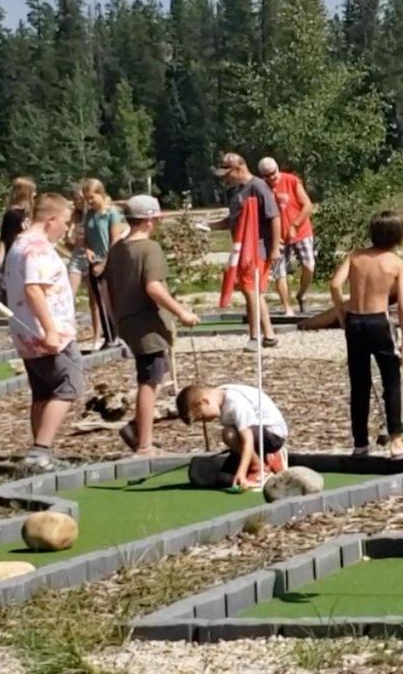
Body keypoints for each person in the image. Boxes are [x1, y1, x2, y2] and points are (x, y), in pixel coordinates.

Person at [105, 195, 200, 455]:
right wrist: (182, 313)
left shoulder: (117, 250)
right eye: (156, 219)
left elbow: (106, 286)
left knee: (156, 375)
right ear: (149, 220)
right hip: (147, 325)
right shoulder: (149, 249)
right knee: (149, 382)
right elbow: (153, 287)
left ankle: (136, 428)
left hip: (128, 322)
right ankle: (145, 445)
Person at [330, 211, 403, 459]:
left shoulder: (355, 256)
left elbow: (335, 285)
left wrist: (341, 314)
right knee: (391, 381)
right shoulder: (397, 264)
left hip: (355, 322)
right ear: (397, 236)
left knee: (359, 383)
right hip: (378, 322)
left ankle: (360, 443)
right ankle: (397, 440)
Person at [3, 193, 83, 471]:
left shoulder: (18, 244)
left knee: (43, 391)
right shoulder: (36, 248)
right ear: (50, 220)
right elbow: (34, 289)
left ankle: (39, 451)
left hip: (27, 332)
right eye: (64, 221)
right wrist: (50, 330)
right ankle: (40, 451)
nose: (66, 228)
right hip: (48, 333)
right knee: (69, 385)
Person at [208, 152, 280, 349]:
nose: (224, 179)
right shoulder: (238, 190)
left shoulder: (258, 187)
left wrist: (274, 249)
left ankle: (254, 337)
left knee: (250, 292)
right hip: (243, 249)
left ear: (238, 169)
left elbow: (274, 216)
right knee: (255, 293)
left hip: (256, 248)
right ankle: (269, 335)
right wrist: (209, 226)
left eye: (227, 174)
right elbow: (232, 220)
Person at [177, 382, 288, 488]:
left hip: (273, 435)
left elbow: (247, 440)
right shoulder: (221, 397)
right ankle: (269, 457)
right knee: (224, 477)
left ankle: (259, 468)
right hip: (258, 434)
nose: (204, 421)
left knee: (228, 434)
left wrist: (242, 472)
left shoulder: (234, 402)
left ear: (204, 401)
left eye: (202, 416)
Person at [258, 157, 316, 315]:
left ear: (277, 168)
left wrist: (295, 225)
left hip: (301, 230)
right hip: (278, 237)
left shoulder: (291, 180)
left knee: (309, 265)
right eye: (267, 175)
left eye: (273, 173)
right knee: (279, 271)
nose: (272, 177)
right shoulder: (262, 188)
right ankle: (287, 308)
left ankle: (302, 294)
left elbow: (308, 205)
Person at [81, 178, 126, 346]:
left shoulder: (112, 214)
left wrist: (104, 263)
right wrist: (88, 249)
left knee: (111, 299)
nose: (89, 202)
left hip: (110, 261)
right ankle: (108, 337)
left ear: (101, 194)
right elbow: (86, 239)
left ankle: (119, 335)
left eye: (92, 197)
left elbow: (115, 241)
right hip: (95, 261)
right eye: (87, 199)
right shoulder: (90, 215)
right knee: (100, 301)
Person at [64, 187, 98, 346]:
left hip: (91, 256)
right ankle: (69, 330)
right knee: (68, 295)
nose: (75, 202)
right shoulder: (74, 217)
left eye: (77, 198)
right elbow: (67, 239)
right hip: (77, 256)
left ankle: (98, 334)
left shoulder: (92, 216)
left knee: (94, 300)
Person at [0, 177, 36, 298]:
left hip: (30, 256)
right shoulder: (12, 214)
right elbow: (4, 239)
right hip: (16, 258)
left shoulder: (31, 213)